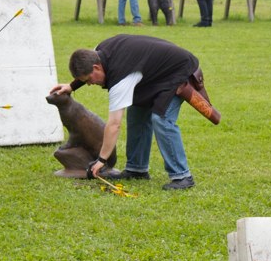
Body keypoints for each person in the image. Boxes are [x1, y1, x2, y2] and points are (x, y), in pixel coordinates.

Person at [51, 35, 205, 190]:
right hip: (154, 72)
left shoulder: (121, 78)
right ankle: (137, 170)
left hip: (178, 71)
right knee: (136, 113)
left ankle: (182, 176)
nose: (90, 84)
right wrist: (72, 86)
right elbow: (89, 68)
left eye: (88, 79)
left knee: (161, 119)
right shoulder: (98, 51)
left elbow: (114, 125)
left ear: (97, 67)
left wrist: (101, 160)